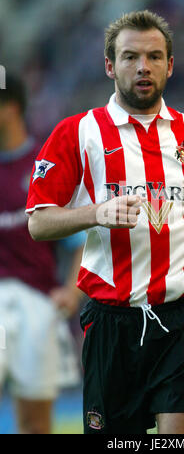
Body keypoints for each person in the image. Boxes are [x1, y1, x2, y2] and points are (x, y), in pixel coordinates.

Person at [26, 10, 184, 435]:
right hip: (112, 325)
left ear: (170, 65)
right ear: (110, 66)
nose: (143, 66)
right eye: (130, 57)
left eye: (154, 56)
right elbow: (38, 222)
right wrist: (96, 213)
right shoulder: (78, 134)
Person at [0, 75, 84, 434]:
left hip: (38, 302)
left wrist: (73, 290)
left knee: (35, 422)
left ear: (12, 107)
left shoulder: (43, 165)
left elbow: (78, 238)